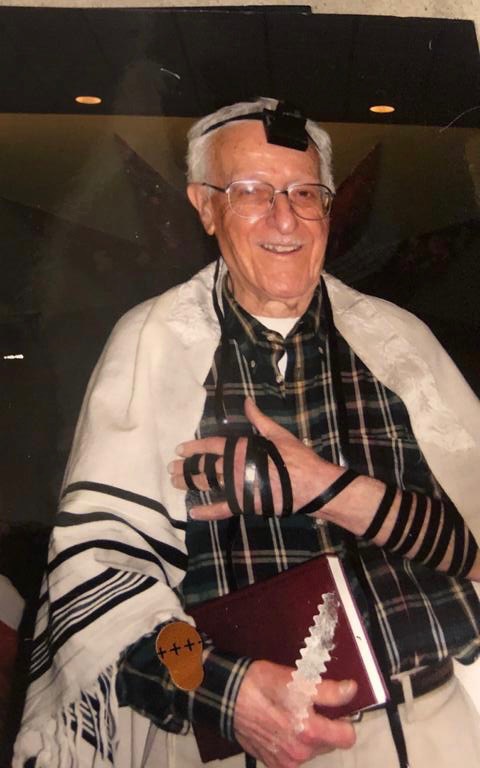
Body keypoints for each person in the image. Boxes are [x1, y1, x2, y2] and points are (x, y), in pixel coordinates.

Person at [13, 98, 480, 768]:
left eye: (305, 192)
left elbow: (476, 546)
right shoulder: (151, 346)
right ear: (205, 206)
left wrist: (325, 489)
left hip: (440, 731)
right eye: (252, 191)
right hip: (246, 746)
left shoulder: (400, 343)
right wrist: (220, 690)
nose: (285, 217)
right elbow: (99, 578)